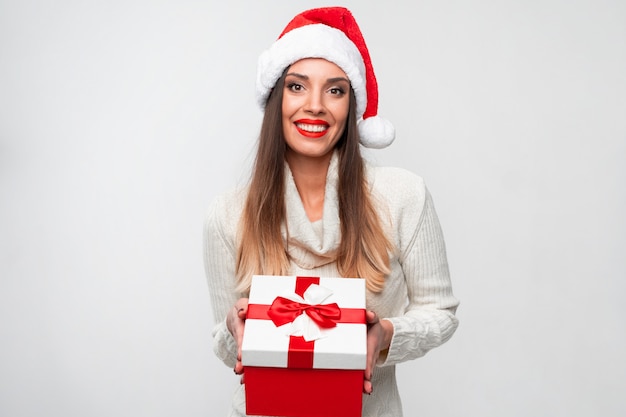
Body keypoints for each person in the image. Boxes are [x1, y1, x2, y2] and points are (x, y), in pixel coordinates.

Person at [203, 6, 459, 417]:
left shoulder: (403, 195)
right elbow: (223, 335)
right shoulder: (227, 214)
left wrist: (386, 333)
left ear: (351, 106)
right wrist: (236, 332)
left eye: (335, 90)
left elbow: (440, 312)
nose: (316, 106)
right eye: (297, 87)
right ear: (275, 98)